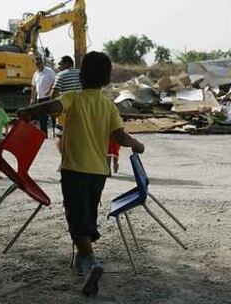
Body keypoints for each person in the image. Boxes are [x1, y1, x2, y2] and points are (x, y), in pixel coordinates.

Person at [17, 51, 145, 297]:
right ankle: (82, 259)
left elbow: (53, 106)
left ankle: (91, 262)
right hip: (98, 172)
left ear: (81, 76)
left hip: (74, 170)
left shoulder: (73, 97)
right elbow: (120, 137)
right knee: (86, 213)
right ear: (107, 79)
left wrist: (30, 111)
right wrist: (137, 145)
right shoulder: (108, 105)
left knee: (75, 218)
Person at [50, 55, 82, 136]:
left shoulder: (61, 75)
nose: (58, 66)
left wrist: (51, 107)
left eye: (60, 64)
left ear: (67, 64)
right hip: (81, 110)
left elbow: (54, 93)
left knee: (62, 135)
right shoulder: (81, 74)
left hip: (66, 111)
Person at [31, 57, 56, 137]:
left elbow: (55, 81)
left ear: (42, 63)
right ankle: (44, 134)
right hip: (40, 98)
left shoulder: (49, 71)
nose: (38, 65)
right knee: (42, 117)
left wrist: (49, 90)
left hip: (49, 97)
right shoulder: (35, 74)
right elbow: (34, 87)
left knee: (53, 115)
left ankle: (55, 131)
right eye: (36, 64)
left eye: (39, 63)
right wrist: (32, 98)